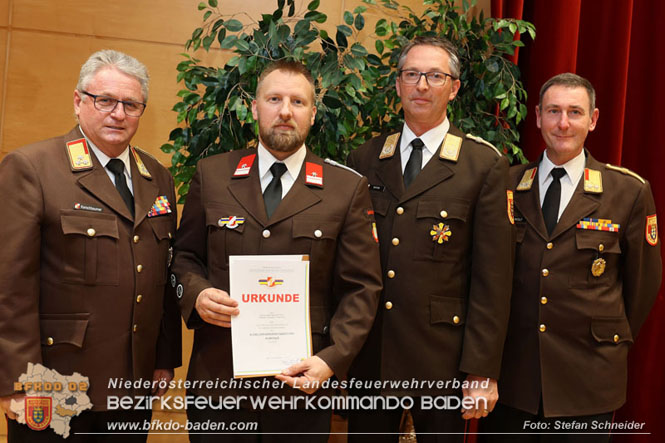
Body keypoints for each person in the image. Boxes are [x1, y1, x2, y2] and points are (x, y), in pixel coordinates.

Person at [169, 60, 383, 442]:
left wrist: (330, 361)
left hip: (301, 387)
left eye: (298, 102)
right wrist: (197, 293)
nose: (285, 111)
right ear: (254, 108)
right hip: (220, 384)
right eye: (274, 99)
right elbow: (184, 257)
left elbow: (362, 288)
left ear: (313, 114)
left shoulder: (345, 189)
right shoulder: (212, 175)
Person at [0, 49, 181, 442]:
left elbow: (162, 277)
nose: (118, 113)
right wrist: (18, 381)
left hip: (132, 387)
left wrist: (164, 359)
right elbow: (9, 287)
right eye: (105, 100)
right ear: (79, 102)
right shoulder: (33, 168)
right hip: (54, 383)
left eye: (131, 104)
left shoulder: (158, 178)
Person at [346, 36, 514, 442]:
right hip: (373, 353)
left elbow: (494, 279)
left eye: (435, 76)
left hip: (443, 357)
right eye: (412, 74)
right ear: (398, 84)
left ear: (454, 88)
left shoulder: (483, 165)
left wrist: (481, 369)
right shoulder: (365, 159)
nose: (422, 85)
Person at [480, 73, 662, 442]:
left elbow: (642, 287)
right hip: (516, 376)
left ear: (593, 120)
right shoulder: (506, 186)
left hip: (588, 377)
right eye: (553, 111)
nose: (563, 123)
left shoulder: (627, 191)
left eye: (575, 112)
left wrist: (604, 338)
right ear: (537, 117)